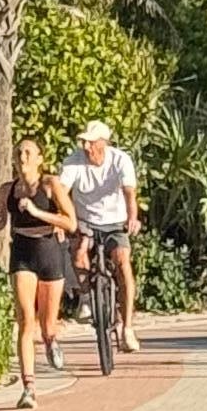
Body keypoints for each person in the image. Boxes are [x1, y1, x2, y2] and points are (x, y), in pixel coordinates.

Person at [1, 138, 75, 407]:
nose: (23, 156)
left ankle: (51, 340)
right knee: (25, 320)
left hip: (49, 252)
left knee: (47, 324)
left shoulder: (50, 185)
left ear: (40, 159)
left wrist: (37, 212)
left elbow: (71, 221)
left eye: (28, 152)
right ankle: (29, 387)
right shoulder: (8, 189)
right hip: (22, 252)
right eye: (19, 151)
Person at [59, 117, 143, 351]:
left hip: (115, 221)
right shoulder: (73, 162)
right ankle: (86, 297)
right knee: (78, 252)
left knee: (123, 261)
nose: (86, 147)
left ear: (103, 143)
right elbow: (62, 192)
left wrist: (132, 218)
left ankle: (127, 327)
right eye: (84, 142)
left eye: (91, 142)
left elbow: (129, 194)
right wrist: (64, 220)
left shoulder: (120, 160)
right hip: (84, 221)